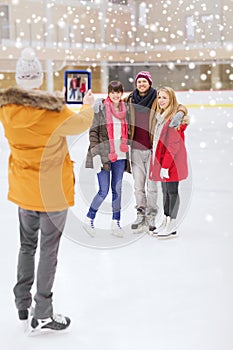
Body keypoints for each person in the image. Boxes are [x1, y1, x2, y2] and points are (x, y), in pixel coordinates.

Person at [0, 48, 94, 334]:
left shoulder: (6, 109)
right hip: (51, 192)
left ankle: (22, 302)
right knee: (48, 251)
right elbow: (82, 123)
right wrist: (88, 104)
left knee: (26, 246)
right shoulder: (53, 110)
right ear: (39, 79)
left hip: (24, 189)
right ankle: (42, 312)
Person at [85, 80, 130, 237]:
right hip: (104, 155)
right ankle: (89, 219)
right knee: (103, 191)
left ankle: (115, 223)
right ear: (108, 93)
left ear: (121, 93)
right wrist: (96, 156)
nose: (115, 95)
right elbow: (93, 133)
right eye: (112, 92)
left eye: (118, 92)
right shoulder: (101, 108)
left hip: (121, 155)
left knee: (117, 190)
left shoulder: (126, 110)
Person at [149, 86, 189, 237]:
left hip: (172, 163)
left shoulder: (174, 120)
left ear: (171, 99)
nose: (161, 100)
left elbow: (172, 146)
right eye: (159, 97)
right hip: (163, 162)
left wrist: (165, 166)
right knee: (165, 192)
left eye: (164, 97)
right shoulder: (162, 116)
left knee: (172, 192)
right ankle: (165, 220)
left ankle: (172, 224)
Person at [124, 71, 159, 233]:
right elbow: (113, 102)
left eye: (144, 81)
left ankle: (151, 214)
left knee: (152, 186)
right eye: (139, 82)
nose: (142, 84)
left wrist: (180, 113)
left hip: (152, 149)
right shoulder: (130, 99)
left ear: (150, 83)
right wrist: (99, 102)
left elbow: (176, 106)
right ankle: (141, 212)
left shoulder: (157, 98)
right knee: (138, 186)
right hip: (136, 149)